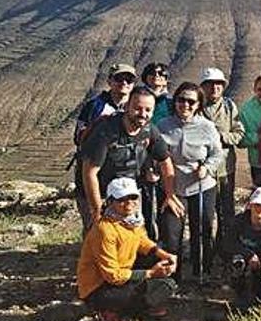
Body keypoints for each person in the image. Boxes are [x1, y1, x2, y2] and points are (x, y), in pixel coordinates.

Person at [78, 87, 183, 237]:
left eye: (148, 110)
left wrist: (170, 194)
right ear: (127, 106)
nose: (143, 114)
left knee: (130, 236)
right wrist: (97, 210)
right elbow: (89, 173)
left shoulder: (150, 130)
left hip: (127, 191)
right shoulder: (105, 131)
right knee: (100, 237)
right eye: (137, 108)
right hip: (99, 191)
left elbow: (165, 161)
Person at [76, 177, 177, 321]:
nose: (129, 203)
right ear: (110, 202)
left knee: (161, 265)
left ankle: (135, 306)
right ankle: (110, 309)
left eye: (133, 197)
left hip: (122, 274)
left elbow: (142, 242)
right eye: (121, 199)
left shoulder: (132, 221)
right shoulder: (105, 230)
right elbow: (112, 276)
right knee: (165, 286)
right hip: (99, 287)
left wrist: (166, 256)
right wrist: (150, 273)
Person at [157, 82, 224, 284]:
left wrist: (208, 168)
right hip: (172, 189)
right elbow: (155, 154)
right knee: (171, 234)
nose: (185, 104)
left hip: (202, 186)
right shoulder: (163, 126)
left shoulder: (207, 127)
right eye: (180, 100)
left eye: (190, 101)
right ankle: (172, 278)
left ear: (198, 105)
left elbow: (217, 153)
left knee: (202, 229)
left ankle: (201, 271)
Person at [73, 63, 137, 236]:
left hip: (122, 182)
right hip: (94, 177)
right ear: (109, 81)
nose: (124, 83)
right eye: (119, 78)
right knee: (95, 226)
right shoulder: (94, 106)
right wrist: (99, 124)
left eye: (129, 79)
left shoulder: (137, 108)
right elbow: (78, 138)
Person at [200, 68, 245, 266]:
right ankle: (205, 251)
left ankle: (226, 248)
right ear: (203, 87)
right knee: (206, 213)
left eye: (219, 84)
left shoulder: (229, 106)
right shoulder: (196, 106)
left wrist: (221, 138)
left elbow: (239, 132)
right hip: (203, 170)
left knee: (227, 212)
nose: (215, 87)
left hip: (226, 168)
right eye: (210, 84)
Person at [225, 187, 261, 306]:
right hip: (243, 255)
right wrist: (248, 255)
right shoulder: (239, 221)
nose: (259, 210)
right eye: (256, 205)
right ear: (250, 205)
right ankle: (238, 292)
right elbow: (228, 243)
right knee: (237, 263)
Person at [139, 63, 175, 238]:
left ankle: (166, 240)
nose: (157, 76)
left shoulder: (171, 103)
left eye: (162, 74)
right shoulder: (139, 99)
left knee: (165, 197)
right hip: (144, 154)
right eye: (152, 73)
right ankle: (147, 240)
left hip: (165, 155)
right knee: (145, 201)